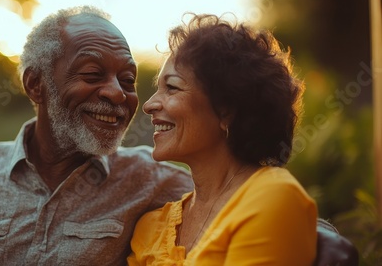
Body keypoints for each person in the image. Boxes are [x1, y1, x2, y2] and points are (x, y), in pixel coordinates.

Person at [0, 6, 356, 266]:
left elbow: (243, 192)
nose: (121, 96)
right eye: (92, 74)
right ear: (35, 85)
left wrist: (326, 244)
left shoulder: (148, 181)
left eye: (129, 81)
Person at [127, 13, 358, 265]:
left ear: (227, 110)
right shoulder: (151, 228)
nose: (148, 105)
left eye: (172, 87)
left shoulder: (272, 199)